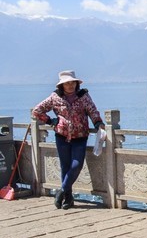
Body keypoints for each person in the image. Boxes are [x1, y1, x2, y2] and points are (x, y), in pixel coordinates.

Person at [33, 70, 105, 210]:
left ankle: (61, 191)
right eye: (67, 83)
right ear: (62, 85)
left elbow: (92, 110)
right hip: (61, 136)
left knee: (76, 164)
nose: (70, 85)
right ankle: (68, 198)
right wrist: (50, 120)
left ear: (76, 83)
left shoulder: (83, 96)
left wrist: (97, 122)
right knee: (65, 167)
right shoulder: (55, 97)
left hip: (80, 136)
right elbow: (37, 111)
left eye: (72, 82)